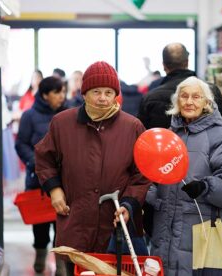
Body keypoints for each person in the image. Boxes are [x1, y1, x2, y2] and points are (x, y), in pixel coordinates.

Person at [34, 61, 151, 275]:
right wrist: (54, 189)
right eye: (96, 91)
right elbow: (43, 157)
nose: (103, 98)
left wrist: (129, 204)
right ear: (84, 92)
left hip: (115, 224)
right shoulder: (62, 123)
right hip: (75, 220)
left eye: (109, 92)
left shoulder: (132, 127)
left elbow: (141, 174)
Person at [146, 76, 222, 275]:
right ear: (177, 102)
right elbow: (156, 179)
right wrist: (149, 193)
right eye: (184, 96)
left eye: (196, 97)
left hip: (200, 233)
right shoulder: (169, 135)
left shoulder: (219, 136)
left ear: (206, 102)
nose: (189, 102)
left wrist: (205, 187)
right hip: (165, 232)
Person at [15, 77, 66, 274]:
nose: (62, 96)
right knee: (40, 224)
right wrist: (37, 163)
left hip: (63, 181)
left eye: (63, 91)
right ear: (45, 95)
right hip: (37, 180)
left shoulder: (67, 113)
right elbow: (21, 144)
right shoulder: (30, 115)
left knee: (62, 223)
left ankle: (60, 263)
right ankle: (40, 254)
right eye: (57, 92)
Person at [138, 42, 222, 132]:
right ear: (187, 62)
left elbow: (142, 137)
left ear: (164, 66)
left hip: (164, 147)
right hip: (206, 148)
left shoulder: (150, 98)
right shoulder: (210, 91)